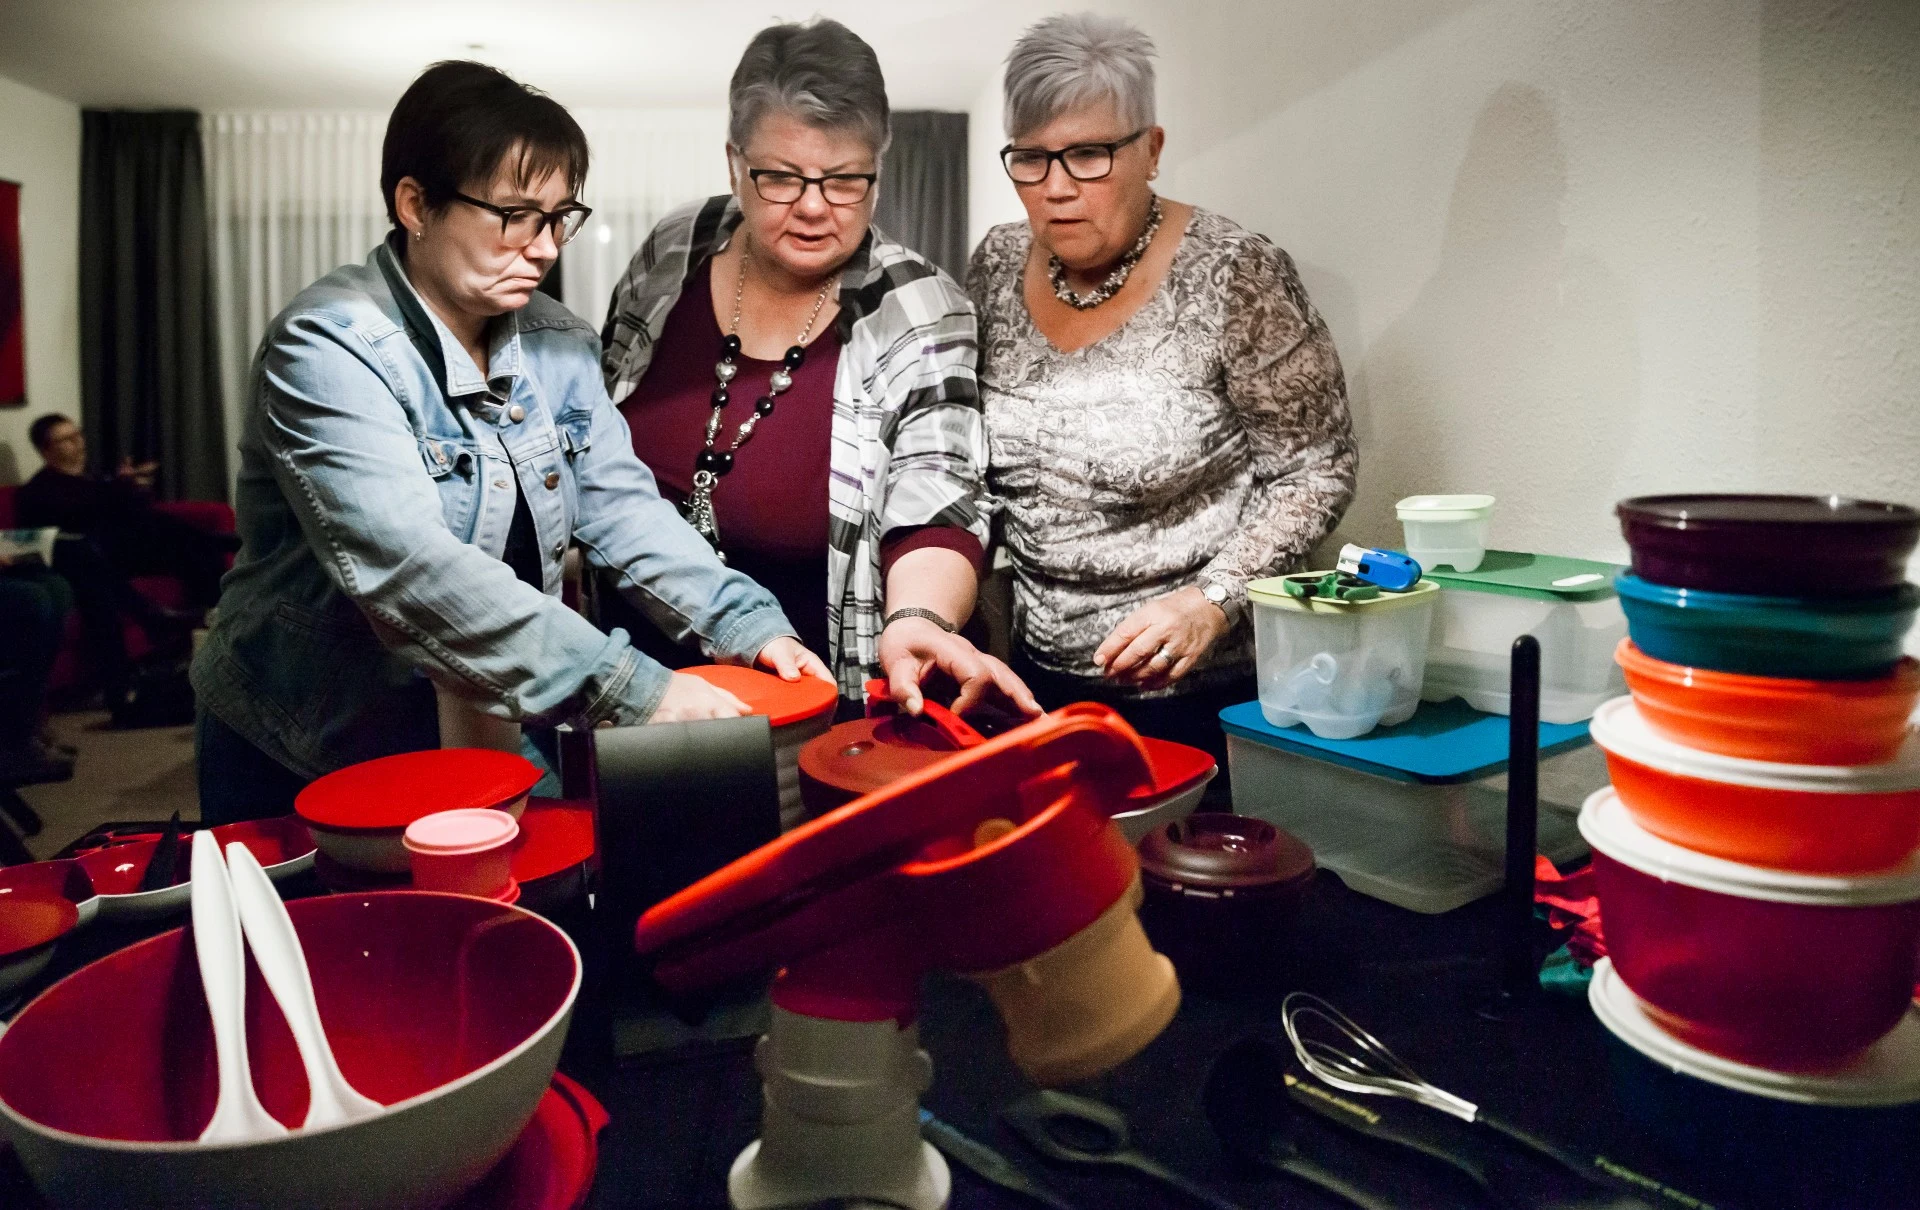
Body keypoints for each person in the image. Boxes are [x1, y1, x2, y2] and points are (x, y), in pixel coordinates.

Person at [191, 61, 829, 825]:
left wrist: (743, 622)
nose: (545, 246)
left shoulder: (556, 342)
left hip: (484, 716)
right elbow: (407, 571)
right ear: (415, 203)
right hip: (306, 736)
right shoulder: (328, 346)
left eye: (561, 217)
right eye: (515, 214)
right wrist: (634, 688)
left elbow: (625, 509)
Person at [601, 18, 1036, 719]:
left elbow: (939, 496)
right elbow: (596, 419)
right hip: (639, 684)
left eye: (843, 181)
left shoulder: (922, 306)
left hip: (812, 706)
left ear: (879, 168)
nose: (811, 206)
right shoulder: (676, 248)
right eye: (779, 177)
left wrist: (916, 619)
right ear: (734, 163)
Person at [969, 14, 1357, 787]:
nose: (1055, 187)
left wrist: (1210, 601)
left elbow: (1317, 468)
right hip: (1039, 687)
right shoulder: (996, 262)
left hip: (1202, 696)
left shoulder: (1236, 275)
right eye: (1031, 159)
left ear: (1151, 149)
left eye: (1087, 154)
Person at [17, 413, 236, 613]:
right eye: (67, 439)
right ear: (45, 450)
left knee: (189, 547)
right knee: (185, 542)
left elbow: (135, 509)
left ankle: (215, 616)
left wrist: (133, 487)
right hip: (103, 555)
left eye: (78, 434)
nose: (78, 442)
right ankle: (213, 548)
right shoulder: (40, 489)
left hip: (134, 544)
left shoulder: (93, 478)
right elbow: (85, 517)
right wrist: (120, 488)